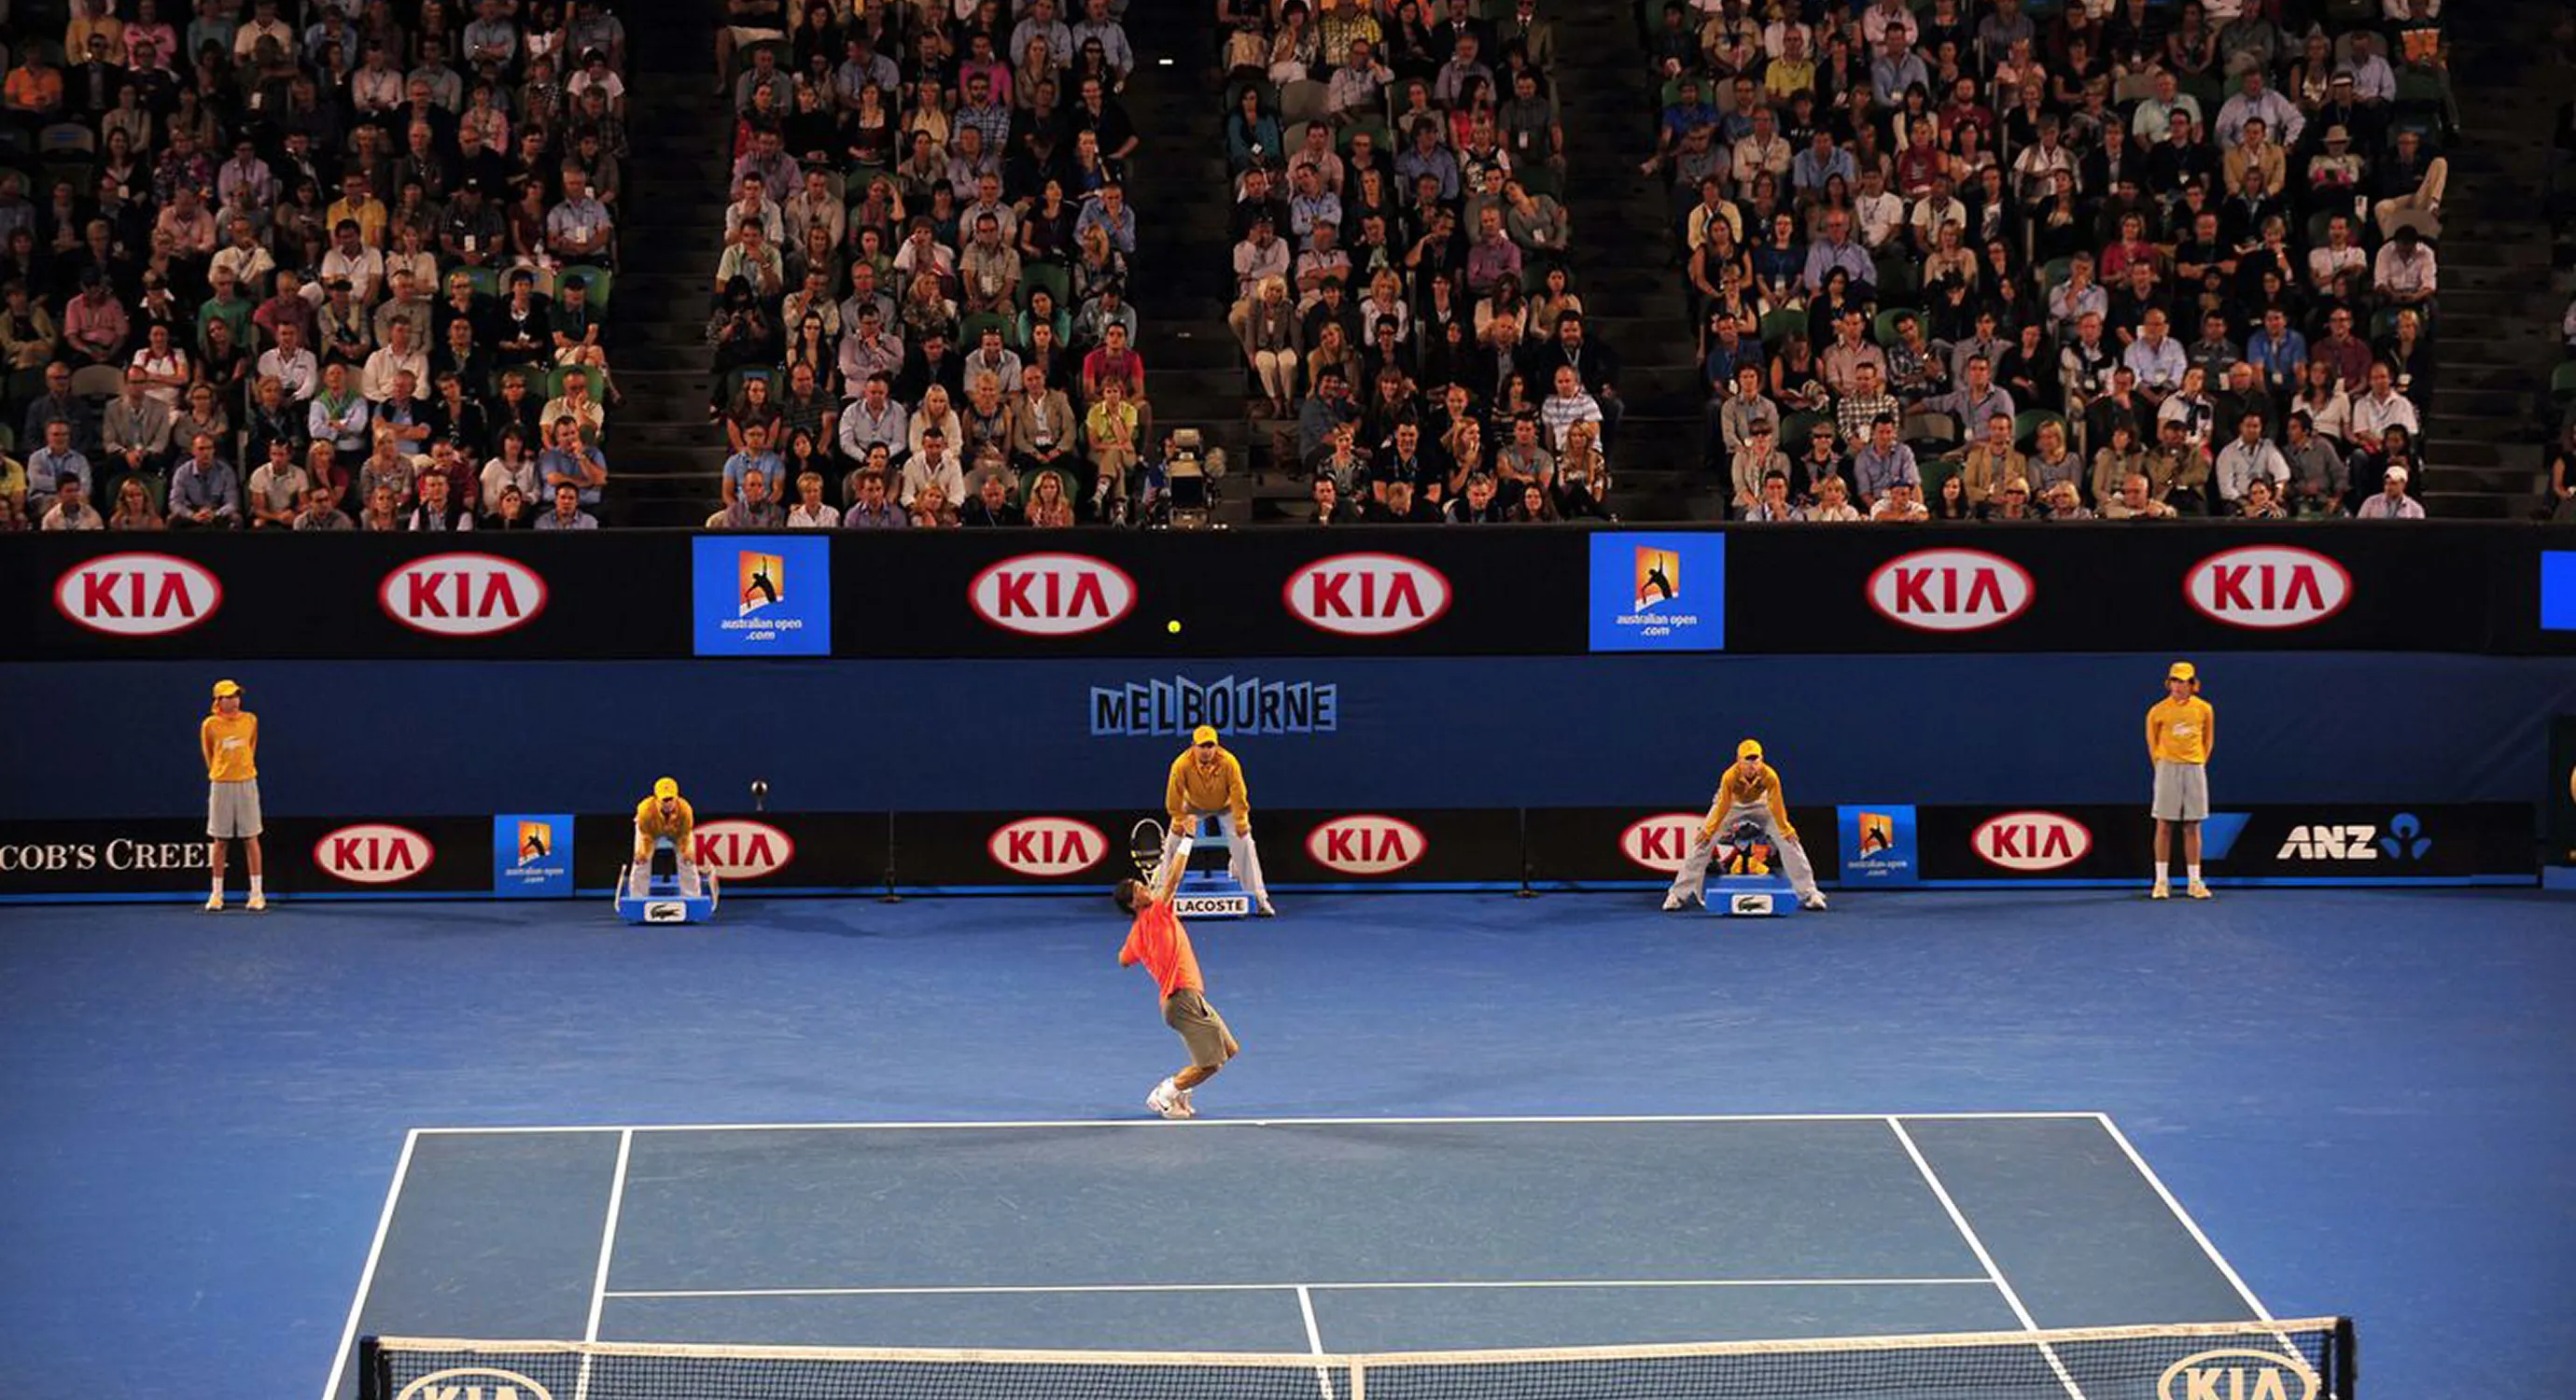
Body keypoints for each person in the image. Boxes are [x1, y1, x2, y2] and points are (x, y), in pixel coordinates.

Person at [1113, 850, 1242, 1120]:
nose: (1145, 889)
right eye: (1139, 889)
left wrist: (1147, 949)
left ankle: (1181, 1088)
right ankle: (1166, 1093)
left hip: (1184, 999)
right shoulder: (1157, 912)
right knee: (1210, 1065)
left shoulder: (1136, 933)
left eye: (1142, 884)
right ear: (1132, 904)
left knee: (1230, 1049)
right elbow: (1173, 879)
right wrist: (1186, 840)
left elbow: (1123, 960)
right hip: (1181, 998)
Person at [1662, 739, 1827, 913]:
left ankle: (1809, 894)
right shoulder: (1729, 776)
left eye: (1755, 760)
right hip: (1731, 806)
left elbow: (1776, 803)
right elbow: (1723, 805)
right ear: (1738, 760)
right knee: (1703, 843)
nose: (1752, 765)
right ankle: (1678, 895)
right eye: (1747, 760)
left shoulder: (1770, 775)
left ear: (1761, 759)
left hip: (1762, 805)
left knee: (1790, 842)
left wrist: (1785, 829)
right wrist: (1709, 831)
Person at [1161, 725, 1275, 917]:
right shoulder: (1180, 764)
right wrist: (1179, 819)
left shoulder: (1229, 762)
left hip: (1226, 805)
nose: (1206, 751)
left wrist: (1240, 821)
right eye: (1202, 746)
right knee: (1173, 840)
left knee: (1245, 841)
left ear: (1216, 746)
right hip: (1193, 806)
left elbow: (1239, 793)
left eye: (1210, 746)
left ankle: (1258, 898)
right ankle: (1162, 898)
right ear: (1193, 746)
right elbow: (1173, 796)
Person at [2146, 661, 2216, 901]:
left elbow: (2208, 740)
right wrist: (2164, 765)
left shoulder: (2204, 709)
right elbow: (2152, 744)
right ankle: (2161, 882)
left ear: (2193, 684)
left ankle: (2194, 882)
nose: (2178, 685)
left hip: (2194, 768)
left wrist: (2197, 762)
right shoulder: (2157, 710)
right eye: (2174, 680)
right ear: (2169, 683)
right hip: (2167, 767)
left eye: (2183, 681)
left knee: (2192, 825)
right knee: (2164, 824)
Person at [202, 679, 263, 912]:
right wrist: (221, 773)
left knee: (251, 837)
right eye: (229, 696)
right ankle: (217, 894)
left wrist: (242, 770)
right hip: (221, 784)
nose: (235, 700)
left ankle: (256, 893)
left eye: (236, 695)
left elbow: (251, 748)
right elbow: (209, 754)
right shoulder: (209, 725)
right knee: (220, 840)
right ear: (218, 701)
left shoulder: (250, 720)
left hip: (247, 782)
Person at [631, 777, 699, 888]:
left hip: (678, 833)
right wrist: (643, 852)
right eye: (664, 800)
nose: (668, 803)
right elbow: (645, 836)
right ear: (656, 798)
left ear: (677, 797)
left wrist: (686, 852)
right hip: (650, 833)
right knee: (641, 862)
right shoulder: (644, 810)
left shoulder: (686, 810)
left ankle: (692, 897)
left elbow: (684, 835)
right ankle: (638, 897)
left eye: (671, 799)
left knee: (688, 862)